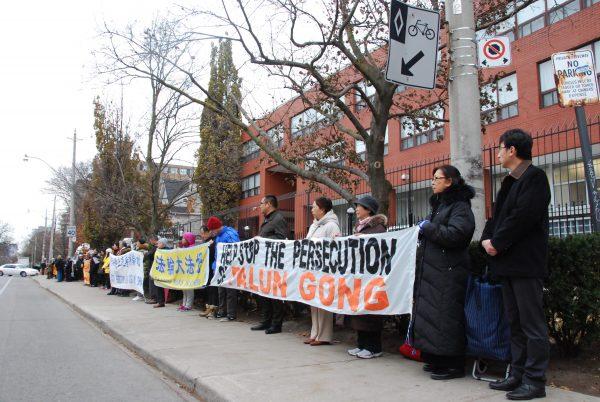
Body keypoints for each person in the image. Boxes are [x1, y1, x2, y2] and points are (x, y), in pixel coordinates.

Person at [481, 129, 551, 400]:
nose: (497, 154)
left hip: (526, 264)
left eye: (500, 149)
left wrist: (496, 242)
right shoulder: (510, 181)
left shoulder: (535, 178)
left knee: (532, 324)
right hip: (508, 265)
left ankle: (535, 381)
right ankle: (517, 374)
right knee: (515, 322)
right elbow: (497, 217)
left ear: (512, 150)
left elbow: (523, 217)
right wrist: (487, 238)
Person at [412, 165, 475, 380]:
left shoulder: (460, 206)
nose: (432, 182)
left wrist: (428, 228)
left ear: (449, 181)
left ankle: (453, 364)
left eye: (437, 178)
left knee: (447, 316)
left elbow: (457, 234)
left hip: (449, 270)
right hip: (433, 269)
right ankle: (436, 358)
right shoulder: (440, 205)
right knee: (432, 315)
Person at [347, 195, 387, 359]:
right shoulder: (360, 227)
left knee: (371, 313)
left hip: (372, 277)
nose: (356, 209)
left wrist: (364, 240)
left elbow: (380, 248)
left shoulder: (378, 228)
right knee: (359, 311)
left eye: (359, 206)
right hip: (360, 275)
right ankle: (361, 344)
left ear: (368, 209)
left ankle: (374, 347)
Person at [303, 196, 341, 346]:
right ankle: (315, 333)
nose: (312, 209)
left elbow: (336, 247)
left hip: (325, 270)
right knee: (314, 302)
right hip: (313, 269)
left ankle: (324, 336)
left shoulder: (332, 225)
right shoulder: (314, 225)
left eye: (314, 207)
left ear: (322, 209)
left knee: (324, 303)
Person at [250, 195, 290, 334]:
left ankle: (276, 324)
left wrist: (262, 239)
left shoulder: (278, 219)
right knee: (264, 293)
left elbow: (282, 237)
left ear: (268, 204)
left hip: (275, 264)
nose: (260, 206)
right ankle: (265, 321)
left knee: (274, 295)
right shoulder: (268, 219)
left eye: (261, 204)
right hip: (265, 263)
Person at [207, 216, 240, 322]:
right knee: (221, 291)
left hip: (230, 268)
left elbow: (235, 250)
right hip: (220, 268)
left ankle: (231, 314)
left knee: (230, 291)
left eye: (212, 230)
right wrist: (214, 266)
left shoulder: (230, 234)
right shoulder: (218, 236)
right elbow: (218, 254)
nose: (211, 232)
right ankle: (222, 311)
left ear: (216, 228)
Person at [198, 226, 218, 318]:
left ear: (209, 232)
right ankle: (208, 308)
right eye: (201, 234)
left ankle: (213, 309)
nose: (202, 236)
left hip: (212, 268)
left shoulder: (214, 241)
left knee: (213, 289)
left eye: (203, 233)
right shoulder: (205, 242)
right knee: (207, 289)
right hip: (205, 269)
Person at [152, 238, 172, 308]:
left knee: (160, 286)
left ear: (163, 244)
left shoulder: (167, 251)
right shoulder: (159, 250)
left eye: (159, 243)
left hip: (165, 271)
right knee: (158, 285)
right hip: (160, 270)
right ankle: (160, 301)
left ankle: (161, 301)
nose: (157, 244)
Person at [179, 232, 196, 311]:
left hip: (190, 271)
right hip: (183, 271)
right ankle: (184, 304)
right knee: (184, 288)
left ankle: (188, 305)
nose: (182, 240)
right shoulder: (183, 248)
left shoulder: (193, 248)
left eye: (183, 238)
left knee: (189, 289)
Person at [145, 236, 159, 304]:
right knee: (152, 283)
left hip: (154, 267)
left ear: (154, 240)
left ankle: (154, 298)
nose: (150, 241)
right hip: (152, 266)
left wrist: (146, 254)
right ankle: (153, 297)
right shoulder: (154, 247)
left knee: (153, 283)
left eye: (151, 240)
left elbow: (149, 255)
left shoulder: (156, 248)